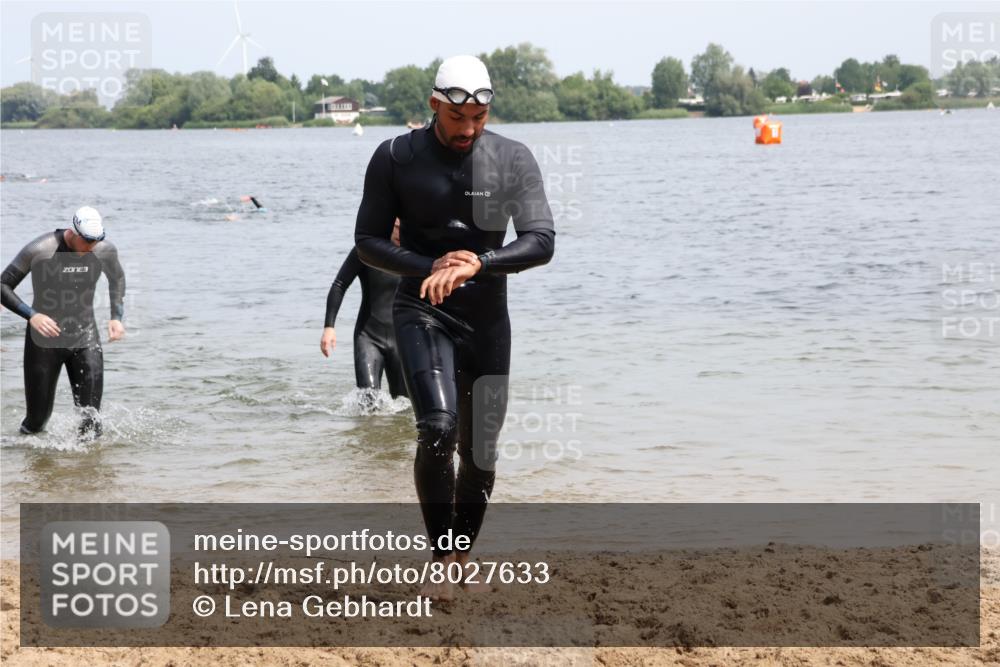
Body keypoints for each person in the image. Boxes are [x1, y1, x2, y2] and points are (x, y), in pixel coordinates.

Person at [354, 55, 555, 599]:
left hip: (487, 317)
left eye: (479, 119)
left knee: (481, 451)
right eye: (456, 118)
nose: (468, 129)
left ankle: (462, 556)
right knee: (438, 428)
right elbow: (367, 242)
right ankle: (442, 559)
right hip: (421, 309)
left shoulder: (512, 157)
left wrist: (479, 263)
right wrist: (432, 266)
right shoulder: (395, 157)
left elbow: (541, 240)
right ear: (434, 105)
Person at [1, 206, 126, 436]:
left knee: (91, 421)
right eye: (87, 241)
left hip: (85, 338)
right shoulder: (41, 249)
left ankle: (87, 460)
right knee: (37, 421)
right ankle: (26, 456)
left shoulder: (103, 250)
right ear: (73, 232)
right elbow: (3, 285)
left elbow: (117, 278)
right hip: (44, 342)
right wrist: (32, 315)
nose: (91, 246)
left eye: (96, 241)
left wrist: (116, 317)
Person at [321, 219, 408, 403]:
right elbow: (339, 284)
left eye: (405, 229)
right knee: (368, 401)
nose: (401, 234)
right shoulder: (367, 250)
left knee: (405, 404)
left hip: (402, 338)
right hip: (368, 337)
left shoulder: (415, 253)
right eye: (397, 228)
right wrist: (329, 327)